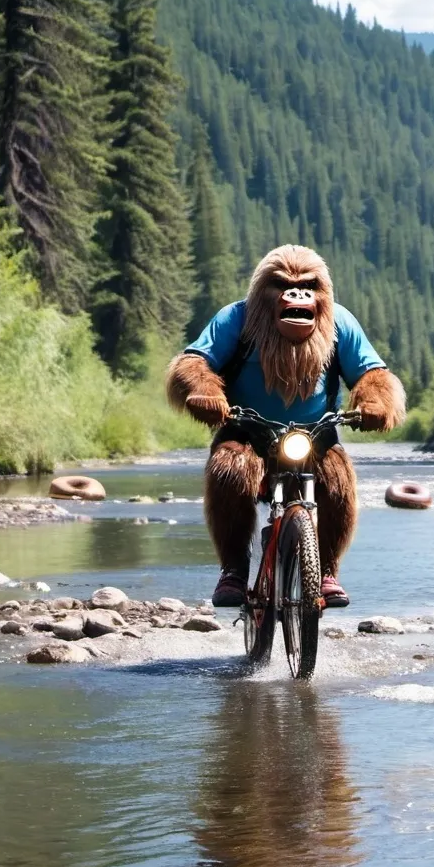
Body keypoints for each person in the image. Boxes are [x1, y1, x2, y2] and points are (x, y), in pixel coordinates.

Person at [166, 245, 405, 608]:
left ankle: (325, 571)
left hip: (315, 436)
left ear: (323, 292)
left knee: (338, 480)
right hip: (246, 432)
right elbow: (193, 361)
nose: (296, 294)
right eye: (282, 285)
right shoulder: (238, 318)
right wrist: (203, 390)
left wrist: (375, 403)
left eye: (308, 285)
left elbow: (373, 373)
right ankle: (232, 570)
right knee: (228, 469)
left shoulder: (339, 322)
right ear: (262, 292)